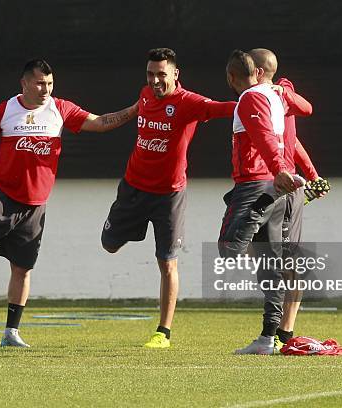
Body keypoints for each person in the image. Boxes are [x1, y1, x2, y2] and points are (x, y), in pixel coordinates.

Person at [0, 59, 138, 348]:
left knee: (22, 268)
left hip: (35, 205)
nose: (46, 89)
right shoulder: (4, 111)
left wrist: (134, 110)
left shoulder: (60, 109)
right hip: (1, 196)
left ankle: (11, 333)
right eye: (40, 83)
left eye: (50, 83)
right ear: (24, 84)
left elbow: (99, 122)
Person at [101, 48, 237, 348]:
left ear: (175, 74)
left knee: (167, 262)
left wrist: (260, 99)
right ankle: (131, 229)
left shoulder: (188, 102)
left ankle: (163, 332)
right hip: (133, 189)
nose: (155, 80)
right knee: (108, 245)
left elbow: (221, 108)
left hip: (168, 196)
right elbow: (136, 107)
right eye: (150, 74)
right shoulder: (146, 95)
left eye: (161, 74)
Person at [217, 49, 302, 355]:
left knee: (228, 248)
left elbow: (264, 137)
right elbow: (306, 108)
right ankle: (268, 338)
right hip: (274, 184)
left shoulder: (251, 97)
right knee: (270, 265)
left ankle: (257, 212)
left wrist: (278, 170)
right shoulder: (275, 95)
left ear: (230, 77)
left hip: (257, 184)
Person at [248, 48, 328, 352]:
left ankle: (281, 333)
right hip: (268, 187)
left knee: (284, 259)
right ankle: (277, 332)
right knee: (265, 257)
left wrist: (310, 174)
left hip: (284, 188)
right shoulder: (256, 100)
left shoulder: (280, 92)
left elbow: (305, 110)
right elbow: (290, 141)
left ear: (257, 72)